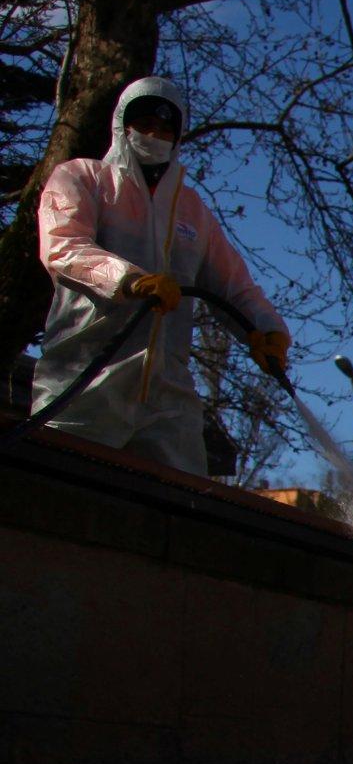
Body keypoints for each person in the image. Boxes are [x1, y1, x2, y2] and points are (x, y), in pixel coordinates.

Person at [31, 77, 289, 474]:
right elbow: (63, 246)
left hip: (168, 395)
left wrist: (266, 327)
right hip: (85, 377)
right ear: (122, 126)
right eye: (145, 123)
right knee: (58, 490)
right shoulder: (84, 179)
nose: (155, 134)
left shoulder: (191, 211)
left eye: (166, 127)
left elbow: (234, 285)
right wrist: (129, 279)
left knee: (185, 506)